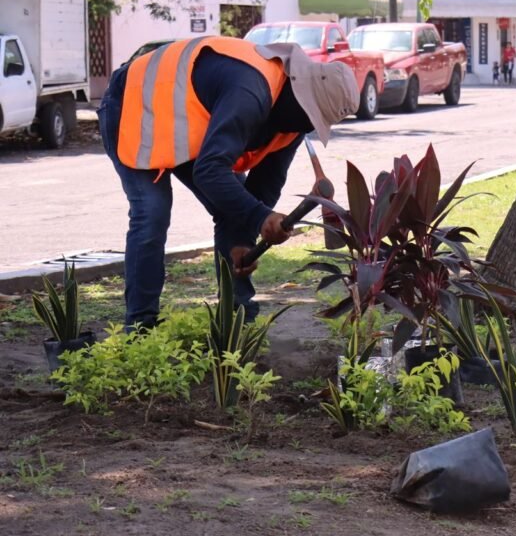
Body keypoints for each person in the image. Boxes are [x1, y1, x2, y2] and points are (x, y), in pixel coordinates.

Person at [98, 36, 358, 329]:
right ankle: (140, 328)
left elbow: (264, 185)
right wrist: (260, 217)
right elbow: (210, 171)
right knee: (152, 212)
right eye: (310, 116)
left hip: (186, 121)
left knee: (232, 205)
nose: (307, 125)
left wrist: (242, 242)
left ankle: (236, 321)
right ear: (300, 95)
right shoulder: (250, 89)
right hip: (134, 102)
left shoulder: (294, 122)